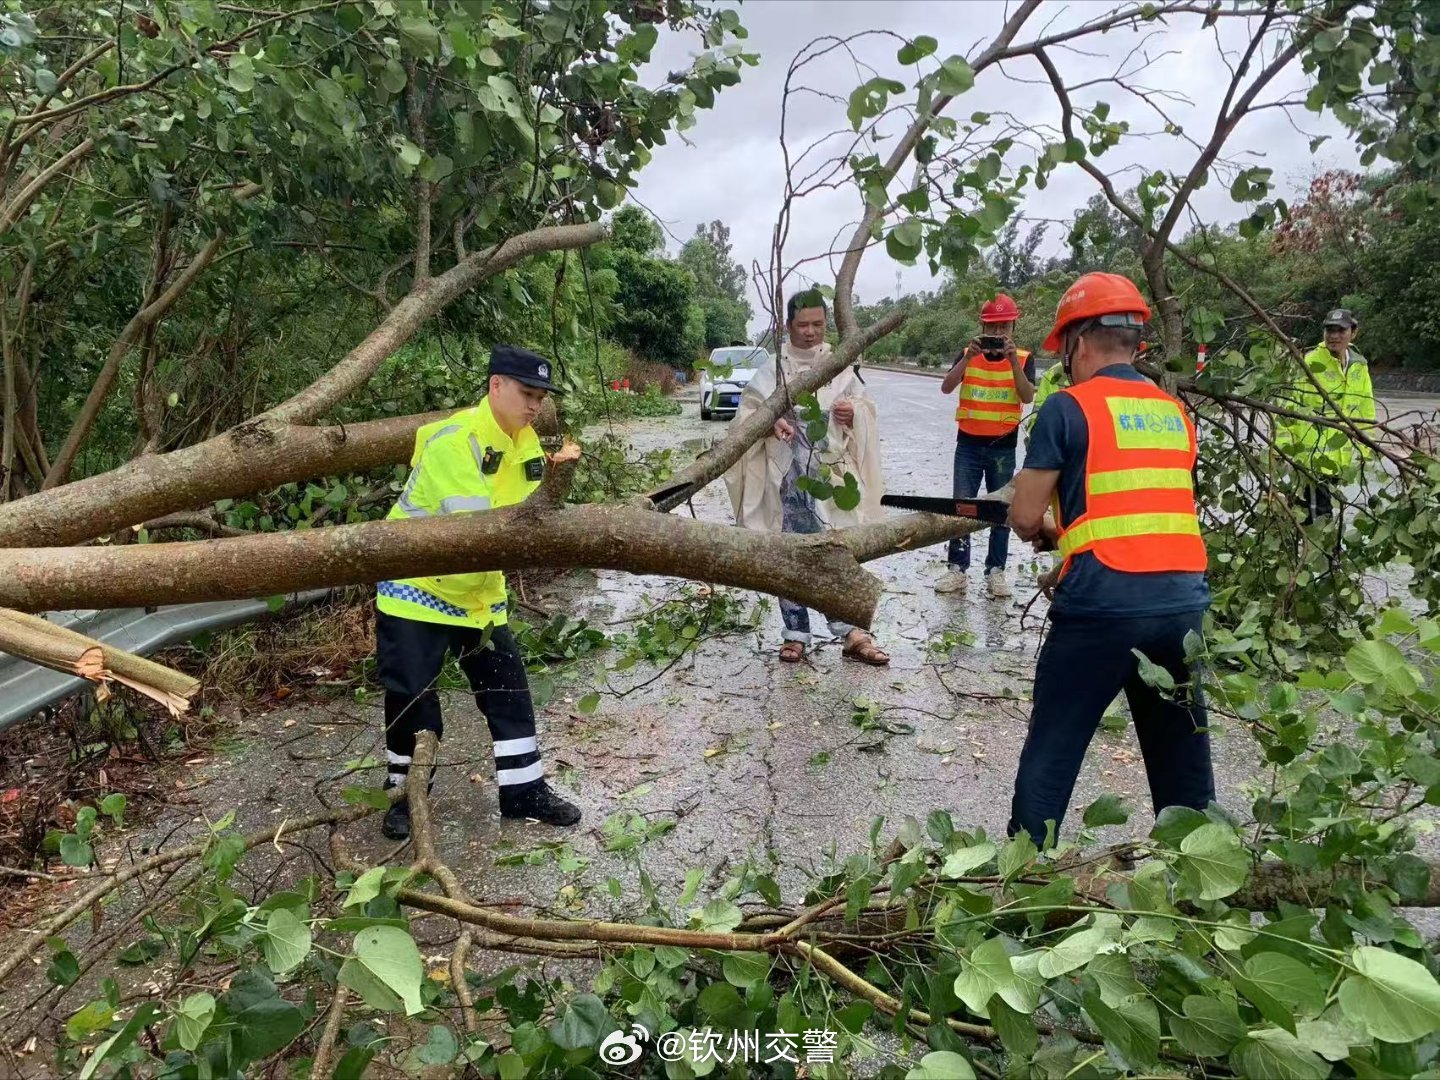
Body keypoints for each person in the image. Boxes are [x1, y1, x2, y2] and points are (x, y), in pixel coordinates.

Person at [1005, 272, 1214, 845]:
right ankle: (1202, 882)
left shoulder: (1066, 408)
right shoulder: (1175, 413)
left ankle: (1023, 884)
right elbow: (1141, 508)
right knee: (1183, 759)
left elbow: (1024, 516)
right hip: (1181, 606)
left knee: (1053, 750)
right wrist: (1069, 540)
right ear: (1134, 341)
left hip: (1102, 607)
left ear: (1077, 340)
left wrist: (1047, 529)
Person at [373, 345, 581, 840]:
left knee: (508, 688)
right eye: (526, 394)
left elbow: (530, 514)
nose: (534, 406)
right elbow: (480, 529)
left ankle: (523, 791)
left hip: (477, 591)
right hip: (417, 584)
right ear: (495, 386)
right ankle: (407, 795)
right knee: (411, 696)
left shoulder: (527, 443)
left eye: (540, 398)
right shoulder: (455, 441)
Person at [725, 290, 890, 665]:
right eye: (803, 325)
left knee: (836, 552)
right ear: (788, 326)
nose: (811, 333)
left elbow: (866, 407)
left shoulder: (839, 365)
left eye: (818, 324)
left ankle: (851, 632)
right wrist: (770, 421)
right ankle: (795, 633)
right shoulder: (773, 368)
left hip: (830, 482)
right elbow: (747, 413)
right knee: (789, 555)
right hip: (786, 480)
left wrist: (853, 414)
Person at [936, 294, 1036, 599]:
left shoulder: (1023, 357)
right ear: (982, 326)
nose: (997, 334)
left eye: (1003, 327)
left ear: (1013, 326)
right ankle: (957, 569)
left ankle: (996, 572)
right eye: (992, 327)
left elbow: (1028, 395)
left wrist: (1013, 362)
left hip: (1002, 447)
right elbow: (946, 386)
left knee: (1000, 511)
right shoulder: (968, 352)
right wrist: (968, 358)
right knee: (962, 507)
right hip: (967, 443)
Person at [1274, 308, 1376, 523]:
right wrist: (1282, 449)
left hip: (1340, 461)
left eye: (1340, 330)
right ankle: (1322, 554)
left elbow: (1366, 409)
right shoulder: (1310, 363)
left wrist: (1366, 449)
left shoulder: (1359, 366)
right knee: (1320, 517)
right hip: (1311, 460)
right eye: (1330, 330)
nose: (1334, 336)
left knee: (1317, 519)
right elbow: (1287, 407)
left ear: (1353, 332)